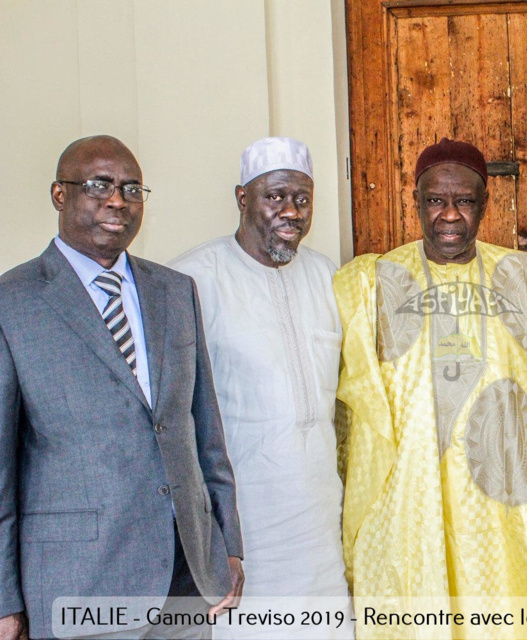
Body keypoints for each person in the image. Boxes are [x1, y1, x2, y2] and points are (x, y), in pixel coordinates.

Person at [334, 137, 527, 639]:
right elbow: (353, 402)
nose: (449, 216)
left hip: (502, 501)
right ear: (416, 203)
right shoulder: (377, 281)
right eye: (435, 201)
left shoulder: (520, 274)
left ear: (484, 205)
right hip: (413, 498)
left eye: (463, 201)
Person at [0, 135, 243, 640]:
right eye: (99, 185)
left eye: (132, 188)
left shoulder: (176, 292)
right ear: (59, 195)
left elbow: (204, 431)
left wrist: (227, 545)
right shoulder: (13, 302)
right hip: (78, 583)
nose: (118, 200)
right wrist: (4, 599)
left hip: (185, 574)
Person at [169, 137, 351, 639]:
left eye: (303, 198)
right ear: (242, 197)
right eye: (275, 196)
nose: (291, 211)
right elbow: (174, 418)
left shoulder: (326, 275)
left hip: (319, 520)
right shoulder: (191, 279)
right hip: (241, 525)